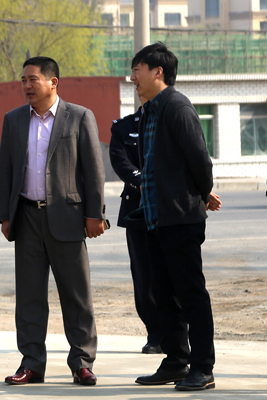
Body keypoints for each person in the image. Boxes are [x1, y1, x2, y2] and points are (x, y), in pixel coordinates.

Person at [0, 56, 106, 386]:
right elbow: (6, 170)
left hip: (68, 217)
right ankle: (31, 363)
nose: (27, 86)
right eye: (23, 80)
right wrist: (5, 214)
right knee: (29, 296)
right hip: (27, 216)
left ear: (53, 82)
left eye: (33, 79)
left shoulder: (79, 116)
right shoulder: (14, 119)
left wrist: (94, 213)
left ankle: (82, 361)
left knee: (76, 295)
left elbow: (93, 170)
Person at [130, 42, 217, 391]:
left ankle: (203, 367)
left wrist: (198, 195)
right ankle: (176, 360)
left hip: (179, 218)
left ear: (157, 72)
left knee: (191, 293)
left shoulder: (177, 107)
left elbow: (200, 160)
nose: (132, 76)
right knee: (163, 294)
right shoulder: (151, 110)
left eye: (137, 69)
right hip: (155, 217)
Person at [110, 95, 163, 354]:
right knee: (144, 275)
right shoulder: (123, 126)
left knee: (173, 273)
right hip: (137, 209)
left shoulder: (172, 119)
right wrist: (144, 181)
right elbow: (120, 162)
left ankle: (178, 332)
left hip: (170, 207)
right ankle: (154, 332)